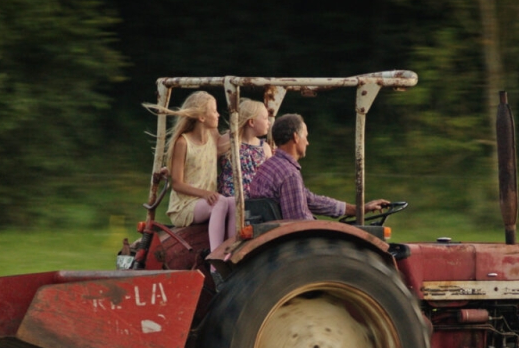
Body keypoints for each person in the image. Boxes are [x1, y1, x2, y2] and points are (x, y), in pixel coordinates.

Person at [249, 113, 388, 220]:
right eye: (306, 137)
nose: (307, 142)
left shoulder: (270, 166)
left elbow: (310, 200)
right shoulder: (289, 174)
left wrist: (357, 209)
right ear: (296, 137)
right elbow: (298, 221)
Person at [164, 91, 236, 251]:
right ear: (202, 117)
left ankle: (231, 250)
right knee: (221, 202)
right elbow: (177, 184)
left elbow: (230, 141)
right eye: (214, 111)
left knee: (233, 202)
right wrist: (204, 193)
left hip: (206, 201)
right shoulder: (183, 143)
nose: (218, 115)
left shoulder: (213, 136)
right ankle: (216, 255)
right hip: (184, 206)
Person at [217, 98, 272, 198]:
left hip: (255, 199)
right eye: (265, 118)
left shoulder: (265, 148)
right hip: (228, 198)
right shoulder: (230, 140)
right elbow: (209, 163)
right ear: (251, 122)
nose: (269, 122)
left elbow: (270, 177)